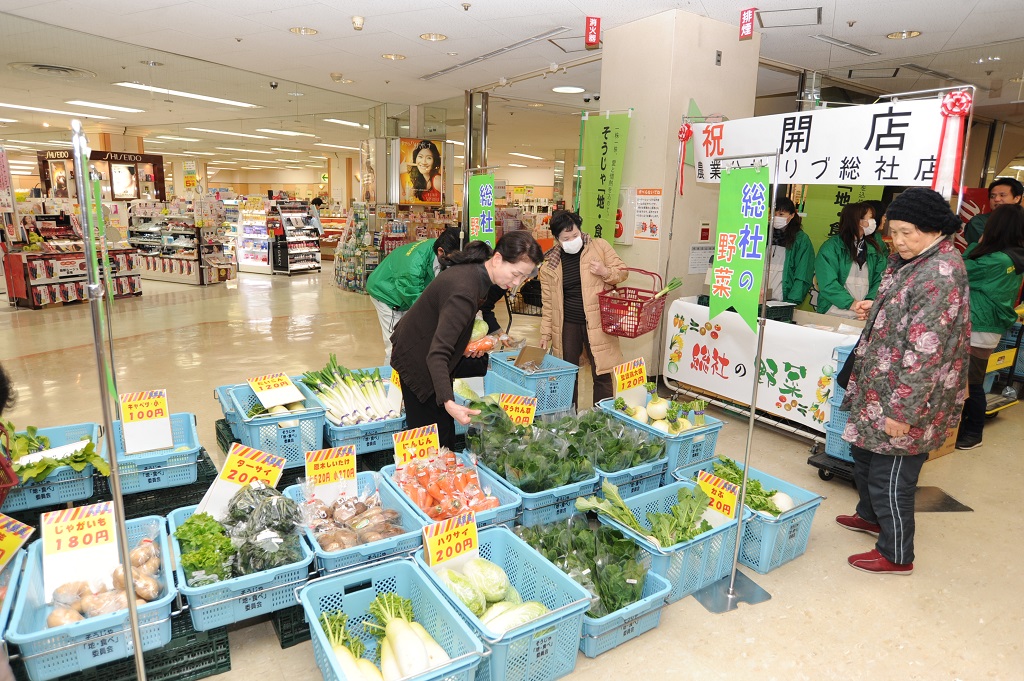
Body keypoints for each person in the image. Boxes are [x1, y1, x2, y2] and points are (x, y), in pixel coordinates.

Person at [835, 187, 970, 576]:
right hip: (882, 382)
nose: (899, 240)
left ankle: (896, 554)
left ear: (934, 228)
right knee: (863, 453)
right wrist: (873, 308)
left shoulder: (940, 272)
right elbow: (905, 309)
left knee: (890, 474)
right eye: (894, 231)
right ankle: (870, 515)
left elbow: (926, 352)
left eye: (909, 231)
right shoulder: (911, 258)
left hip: (910, 395)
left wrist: (903, 412)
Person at [390, 231, 543, 449]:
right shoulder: (465, 290)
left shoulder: (478, 273)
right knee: (431, 440)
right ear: (498, 259)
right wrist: (449, 402)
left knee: (443, 433)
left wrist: (463, 346)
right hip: (418, 358)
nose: (516, 283)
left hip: (426, 350)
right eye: (515, 274)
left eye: (523, 278)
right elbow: (437, 354)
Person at [539, 210, 627, 407]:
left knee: (602, 372)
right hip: (567, 323)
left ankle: (603, 419)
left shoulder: (600, 247)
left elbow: (622, 272)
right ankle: (570, 419)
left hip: (598, 321)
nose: (572, 240)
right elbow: (548, 303)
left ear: (580, 230)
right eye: (566, 238)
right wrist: (545, 333)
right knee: (567, 374)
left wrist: (605, 272)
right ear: (557, 239)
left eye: (575, 235)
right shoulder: (550, 264)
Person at [956, 203, 1024, 450]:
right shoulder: (1012, 256)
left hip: (978, 327)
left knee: (970, 383)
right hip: (986, 327)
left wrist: (975, 244)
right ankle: (967, 429)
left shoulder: (996, 259)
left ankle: (973, 433)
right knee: (970, 382)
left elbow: (959, 270)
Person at [366, 226, 462, 365]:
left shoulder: (442, 247)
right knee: (396, 342)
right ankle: (392, 379)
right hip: (387, 293)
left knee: (412, 338)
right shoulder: (413, 267)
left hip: (404, 287)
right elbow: (418, 302)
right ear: (441, 252)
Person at [814, 202, 887, 318]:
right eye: (871, 218)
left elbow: (880, 279)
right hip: (834, 312)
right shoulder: (831, 247)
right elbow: (827, 283)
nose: (874, 221)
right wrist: (852, 304)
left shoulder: (874, 248)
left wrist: (868, 302)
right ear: (857, 221)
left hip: (863, 314)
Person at [769, 197, 816, 305]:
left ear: (792, 215)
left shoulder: (801, 240)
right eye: (774, 214)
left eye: (781, 214)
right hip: (758, 296)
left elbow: (803, 272)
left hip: (782, 298)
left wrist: (792, 301)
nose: (776, 217)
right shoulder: (761, 234)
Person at [963, 177, 1023, 245]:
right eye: (992, 196)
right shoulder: (979, 222)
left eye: (1002, 195)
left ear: (1017, 198)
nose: (996, 199)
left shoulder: (1020, 221)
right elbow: (986, 247)